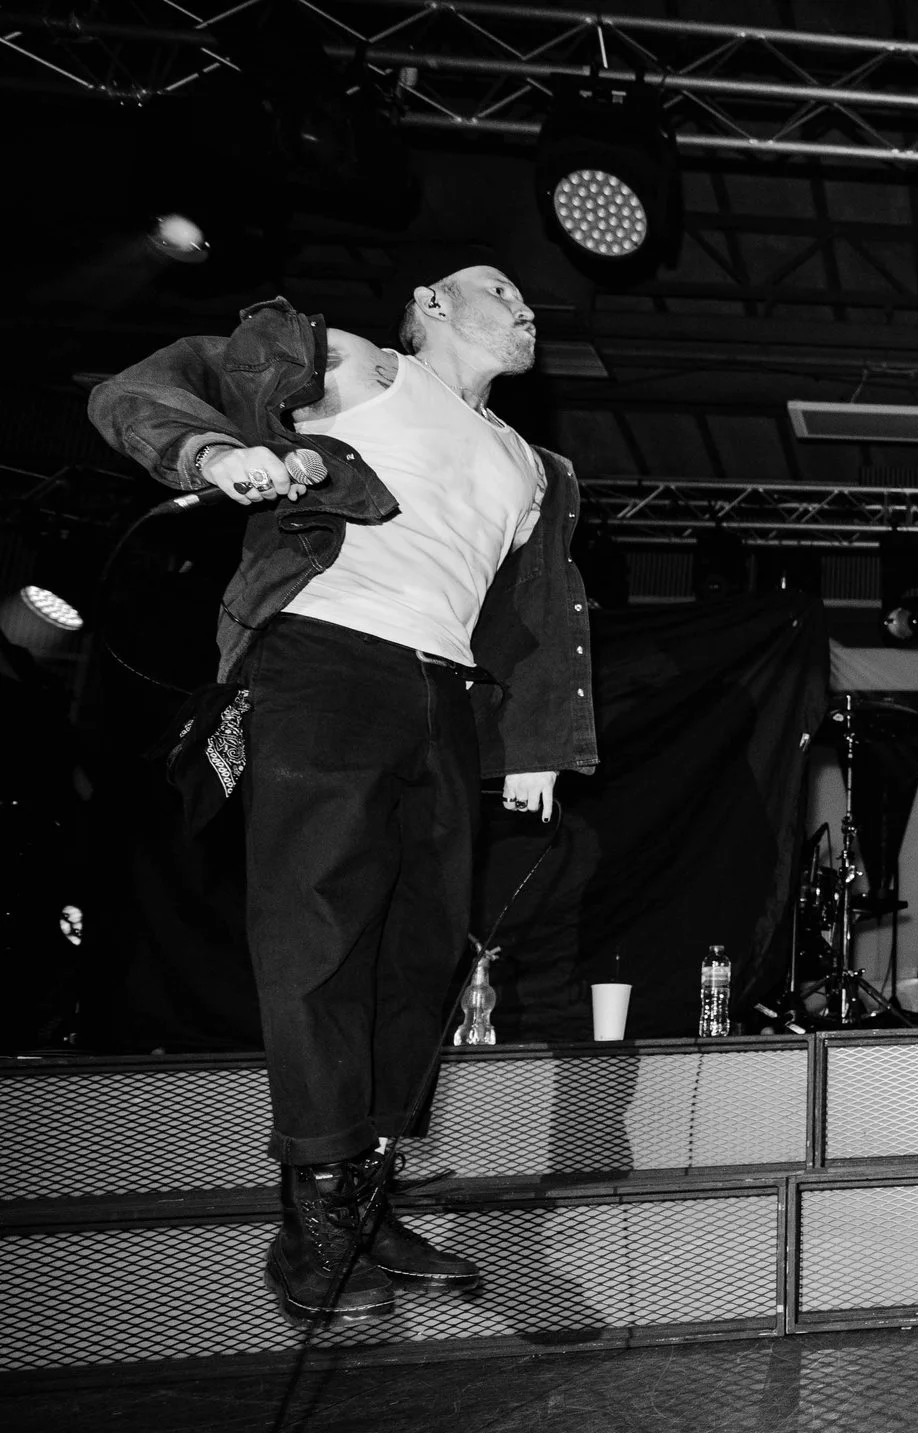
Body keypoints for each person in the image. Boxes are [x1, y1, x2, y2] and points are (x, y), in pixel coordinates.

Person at [88, 259, 600, 1318]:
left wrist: (536, 744)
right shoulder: (362, 372)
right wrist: (215, 451)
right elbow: (153, 381)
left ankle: (366, 1192)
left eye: (527, 303)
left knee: (423, 947)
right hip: (325, 659)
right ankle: (313, 1209)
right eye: (499, 290)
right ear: (429, 305)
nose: (523, 309)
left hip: (443, 691)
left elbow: (531, 615)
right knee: (317, 922)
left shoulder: (530, 465)